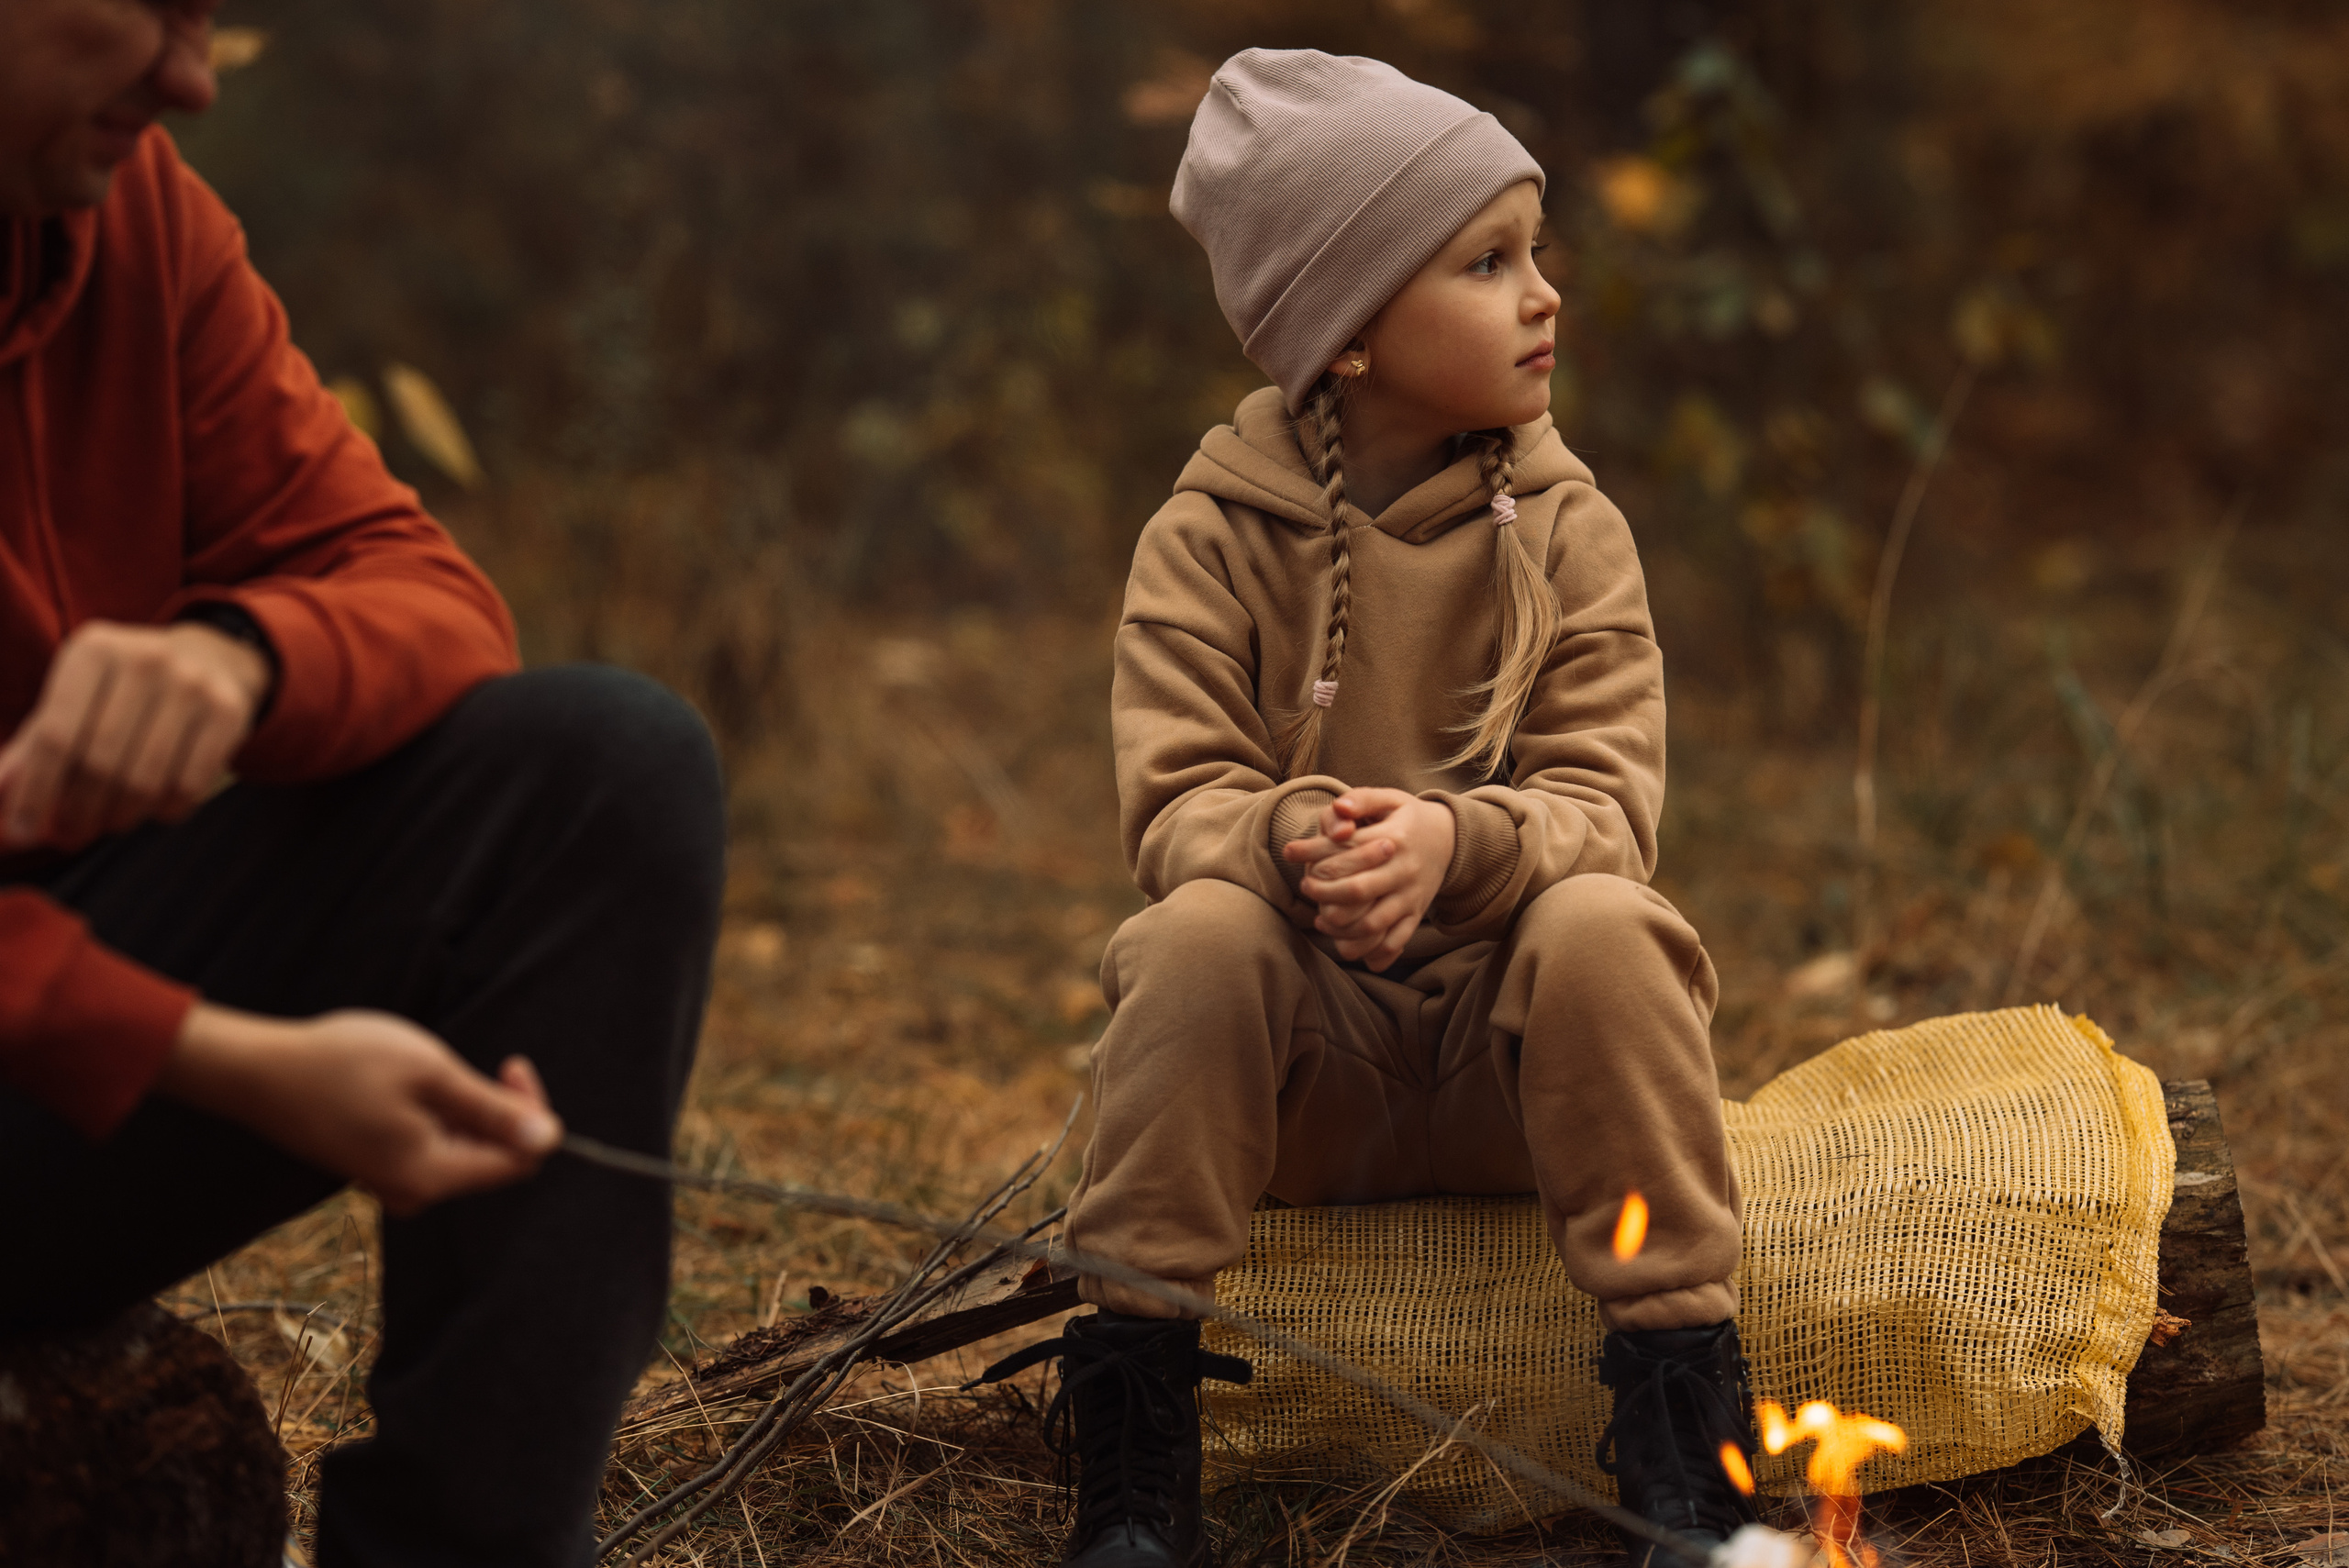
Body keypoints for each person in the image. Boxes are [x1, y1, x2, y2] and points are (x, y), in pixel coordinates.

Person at [978, 50, 1757, 1568]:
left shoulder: (1575, 529)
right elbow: (1178, 802)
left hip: (1510, 1074)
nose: (1545, 296)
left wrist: (1462, 846)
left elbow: (1607, 803)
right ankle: (1139, 1467)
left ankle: (1686, 1445)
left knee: (1609, 923)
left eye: (1538, 254)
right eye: (1487, 262)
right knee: (1192, 936)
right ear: (1346, 337)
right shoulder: (1207, 539)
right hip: (1304, 1081)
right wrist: (1285, 836)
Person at [0, 4, 726, 1565]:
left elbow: (428, 596)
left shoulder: (138, 223)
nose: (190, 81)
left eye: (212, 24)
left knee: (600, 766)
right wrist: (230, 1057)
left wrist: (243, 655)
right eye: (144, 16)